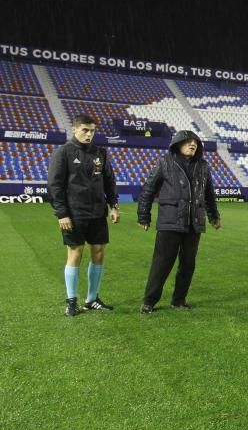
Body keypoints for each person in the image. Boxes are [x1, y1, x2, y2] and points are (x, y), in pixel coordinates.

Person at [137, 130, 221, 313]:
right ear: (178, 143)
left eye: (196, 142)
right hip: (170, 221)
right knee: (162, 263)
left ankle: (179, 300)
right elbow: (148, 189)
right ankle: (149, 302)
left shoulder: (203, 166)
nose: (193, 144)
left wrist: (213, 216)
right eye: (188, 141)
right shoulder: (164, 163)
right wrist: (144, 215)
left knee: (188, 264)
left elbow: (209, 195)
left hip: (194, 222)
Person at [47, 114, 120, 316]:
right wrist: (62, 213)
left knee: (98, 252)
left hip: (97, 212)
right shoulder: (63, 152)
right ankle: (71, 301)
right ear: (75, 129)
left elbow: (109, 181)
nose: (89, 134)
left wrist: (114, 205)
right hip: (74, 213)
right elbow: (55, 186)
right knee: (75, 252)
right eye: (85, 130)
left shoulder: (100, 153)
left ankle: (92, 298)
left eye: (92, 131)